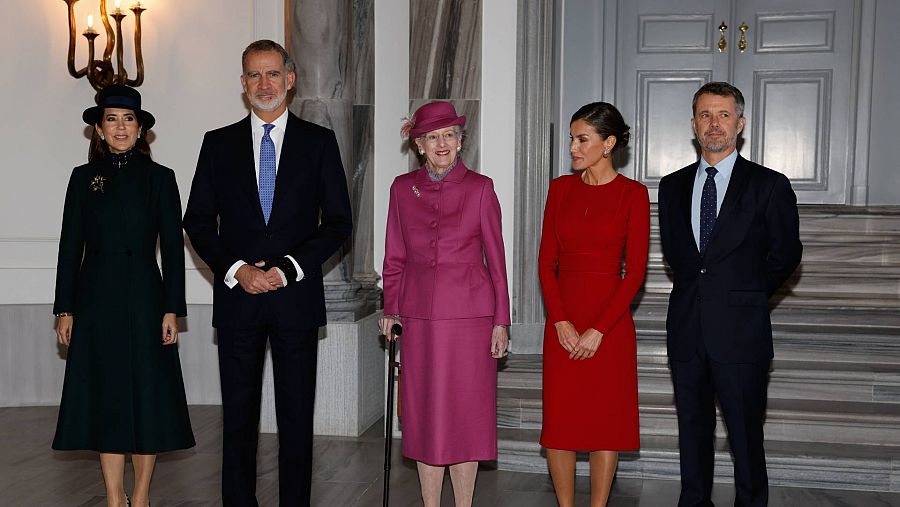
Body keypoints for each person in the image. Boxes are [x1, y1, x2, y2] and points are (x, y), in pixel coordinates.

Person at [182, 40, 352, 506]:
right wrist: (237, 270)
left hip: (295, 301)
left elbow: (338, 222)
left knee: (297, 421)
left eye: (272, 74)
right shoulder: (217, 144)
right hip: (238, 303)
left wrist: (288, 269)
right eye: (254, 76)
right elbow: (196, 220)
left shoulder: (319, 142)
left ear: (290, 79)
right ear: (242, 85)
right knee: (237, 420)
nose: (264, 84)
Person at [657, 82, 802, 507]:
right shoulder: (672, 186)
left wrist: (746, 295)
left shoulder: (769, 185)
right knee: (693, 431)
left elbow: (786, 253)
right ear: (693, 125)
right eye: (705, 115)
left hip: (741, 332)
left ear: (740, 124)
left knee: (744, 435)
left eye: (723, 115)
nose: (713, 124)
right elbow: (678, 255)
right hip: (686, 330)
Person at [52, 84, 195, 507]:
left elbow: (172, 249)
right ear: (98, 129)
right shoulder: (82, 179)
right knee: (107, 399)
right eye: (111, 119)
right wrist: (65, 308)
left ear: (140, 129)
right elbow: (68, 246)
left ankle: (144, 494)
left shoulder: (161, 179)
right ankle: (115, 498)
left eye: (128, 119)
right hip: (95, 303)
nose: (120, 127)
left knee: (147, 397)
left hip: (146, 303)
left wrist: (173, 309)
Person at [379, 101, 511, 507]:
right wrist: (391, 309)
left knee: (466, 420)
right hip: (418, 319)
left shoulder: (481, 188)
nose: (442, 143)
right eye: (432, 137)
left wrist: (501, 321)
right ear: (419, 145)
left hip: (472, 319)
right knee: (425, 420)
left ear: (460, 141)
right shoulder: (402, 189)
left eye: (449, 135)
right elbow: (394, 255)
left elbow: (497, 258)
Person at [537, 102, 649, 507]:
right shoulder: (559, 189)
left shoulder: (633, 195)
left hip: (611, 324)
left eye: (582, 139)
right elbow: (545, 263)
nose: (573, 147)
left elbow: (635, 272)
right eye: (572, 138)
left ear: (609, 144)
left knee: (606, 422)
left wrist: (600, 329)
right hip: (563, 320)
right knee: (561, 422)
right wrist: (560, 321)